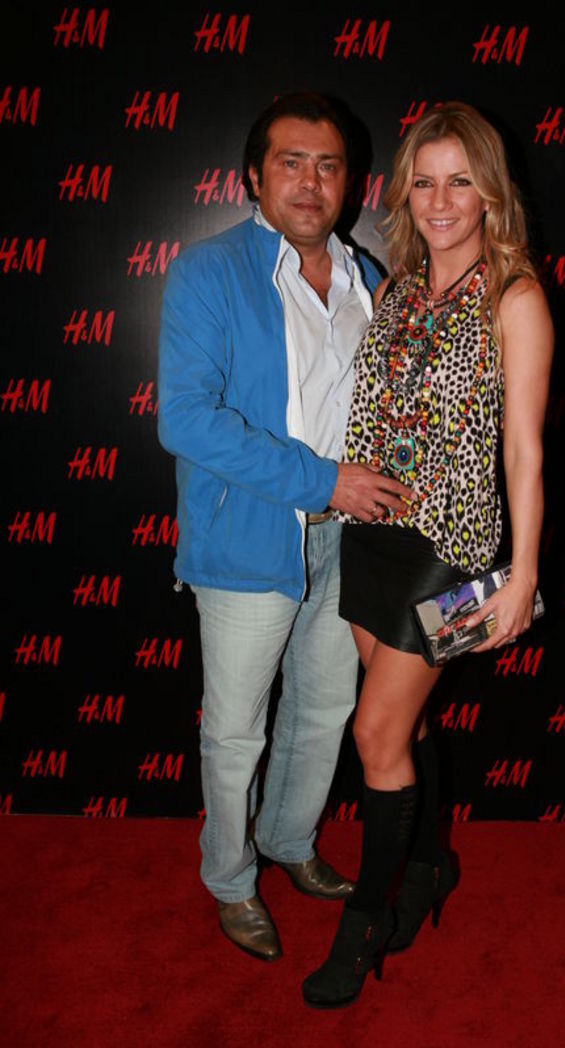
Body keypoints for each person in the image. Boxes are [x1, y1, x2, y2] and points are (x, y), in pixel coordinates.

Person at [302, 102, 554, 1007]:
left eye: (460, 182)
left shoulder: (515, 299)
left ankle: (366, 923)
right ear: (405, 191)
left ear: (490, 193)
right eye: (424, 181)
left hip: (450, 555)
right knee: (402, 729)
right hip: (372, 540)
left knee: (375, 733)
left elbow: (524, 450)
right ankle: (431, 865)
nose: (441, 200)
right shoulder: (397, 289)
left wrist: (523, 575)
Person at [157, 92, 412, 962]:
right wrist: (326, 480)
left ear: (351, 182)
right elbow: (187, 420)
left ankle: (290, 840)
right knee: (235, 732)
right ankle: (231, 880)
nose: (311, 182)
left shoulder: (367, 278)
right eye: (291, 163)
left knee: (325, 709)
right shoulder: (208, 271)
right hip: (249, 537)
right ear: (254, 177)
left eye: (329, 165)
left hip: (348, 541)